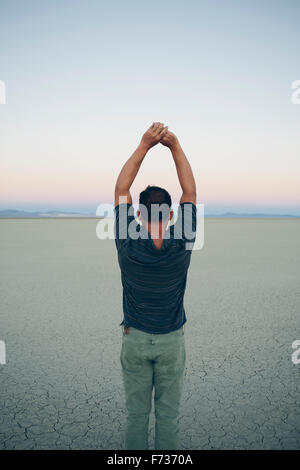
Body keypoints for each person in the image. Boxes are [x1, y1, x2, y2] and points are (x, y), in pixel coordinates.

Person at [114, 122, 197, 450]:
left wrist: (144, 145)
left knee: (136, 416)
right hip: (171, 341)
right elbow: (189, 192)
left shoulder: (127, 241)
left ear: (137, 212)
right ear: (173, 213)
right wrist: (174, 146)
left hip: (134, 339)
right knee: (169, 416)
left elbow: (122, 189)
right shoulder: (181, 241)